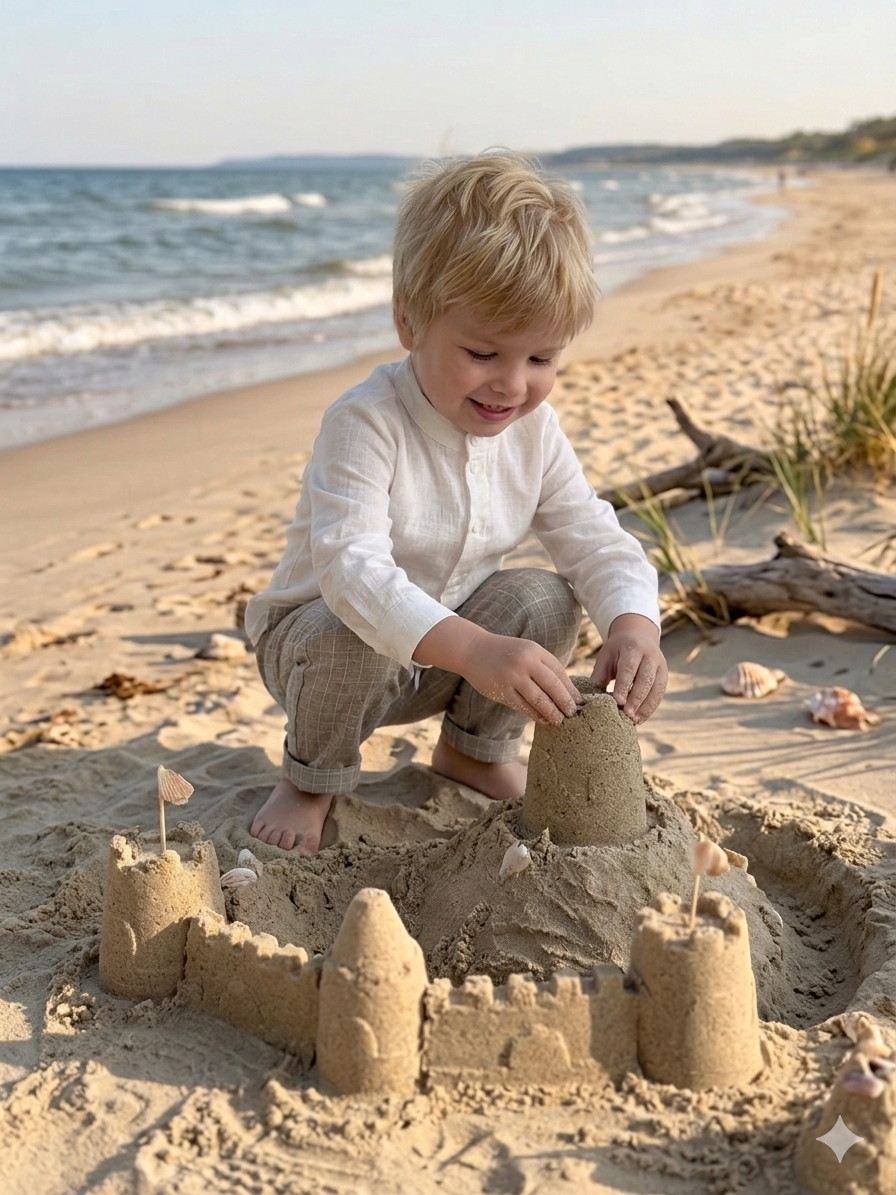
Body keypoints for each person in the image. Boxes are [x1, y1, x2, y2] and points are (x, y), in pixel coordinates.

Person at [244, 151, 667, 854]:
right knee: (350, 632)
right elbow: (352, 573)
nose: (511, 384)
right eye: (482, 352)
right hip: (322, 652)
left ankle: (473, 751)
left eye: (541, 359)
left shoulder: (534, 430)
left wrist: (633, 623)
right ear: (409, 322)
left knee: (546, 598)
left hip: (454, 659)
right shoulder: (366, 420)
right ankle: (310, 779)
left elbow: (591, 534)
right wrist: (474, 648)